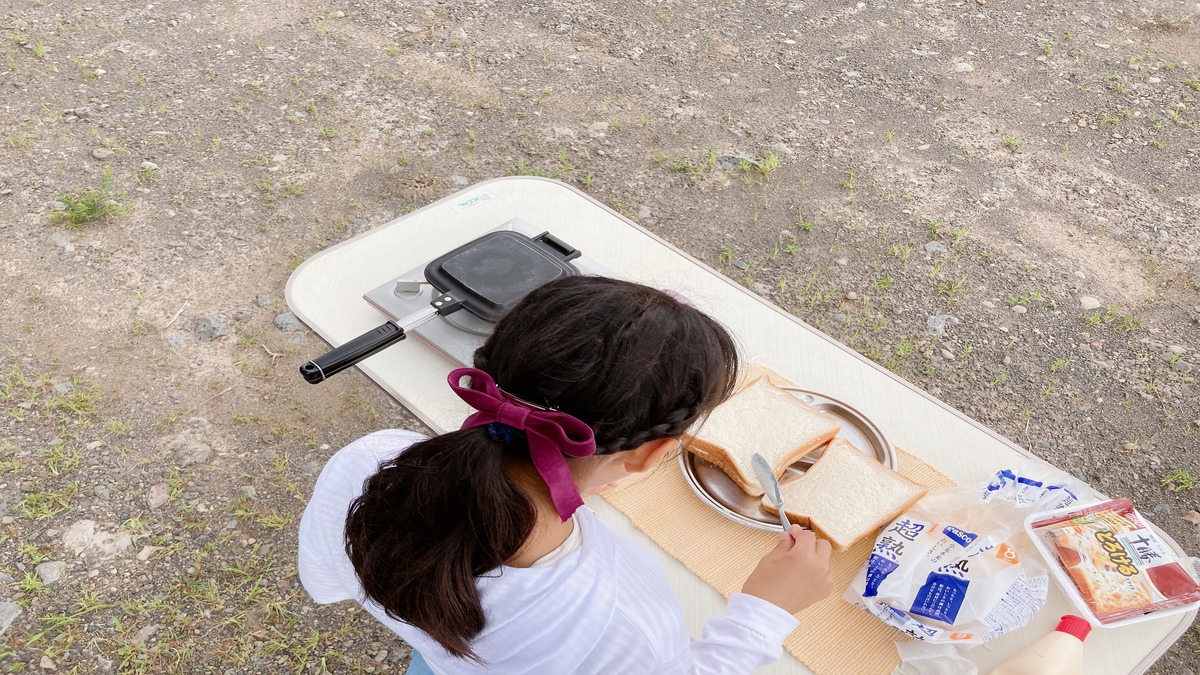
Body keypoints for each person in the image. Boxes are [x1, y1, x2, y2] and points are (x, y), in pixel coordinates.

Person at [298, 276, 833, 674]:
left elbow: (326, 576)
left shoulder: (372, 459)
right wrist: (765, 611)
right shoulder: (620, 622)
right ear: (651, 456)